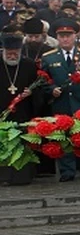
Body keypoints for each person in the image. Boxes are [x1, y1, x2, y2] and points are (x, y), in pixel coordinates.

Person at [40, 19, 80, 181]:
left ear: (75, 36)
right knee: (63, 136)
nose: (65, 39)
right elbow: (44, 80)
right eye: (62, 36)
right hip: (61, 103)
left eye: (68, 35)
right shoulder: (49, 58)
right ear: (57, 37)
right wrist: (52, 90)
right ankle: (67, 170)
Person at [0, 32, 40, 185]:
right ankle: (3, 176)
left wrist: (31, 92)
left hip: (23, 112)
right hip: (1, 112)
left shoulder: (28, 64)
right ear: (3, 51)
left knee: (22, 145)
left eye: (15, 53)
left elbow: (39, 88)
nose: (12, 56)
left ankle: (21, 177)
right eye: (9, 53)